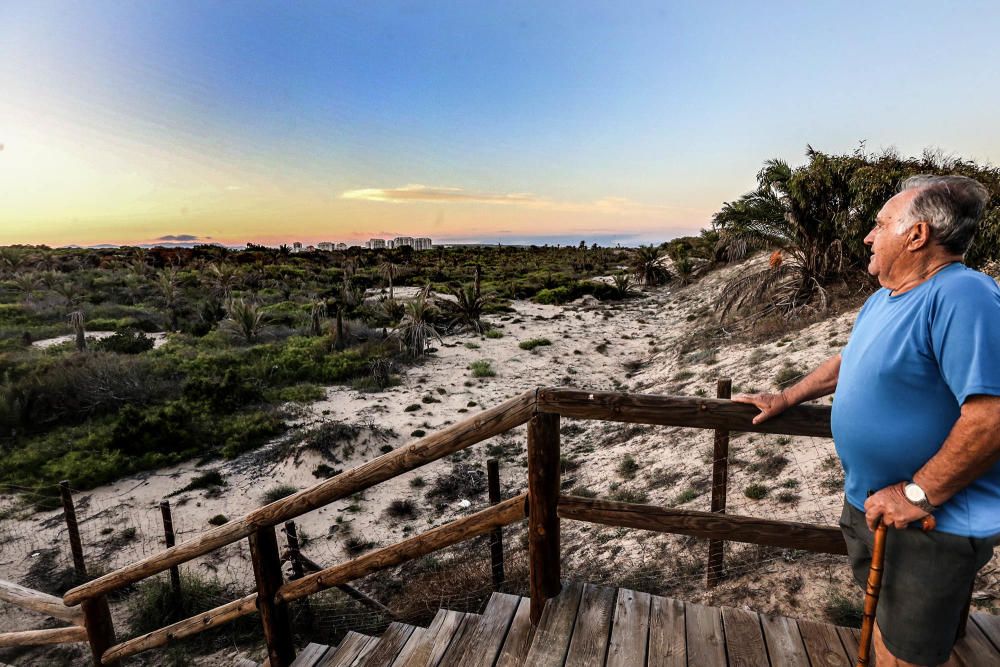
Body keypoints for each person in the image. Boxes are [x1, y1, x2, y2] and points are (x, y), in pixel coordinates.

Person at [734, 175, 1000, 667]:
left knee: (907, 654)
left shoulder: (964, 295)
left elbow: (992, 416)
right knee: (886, 630)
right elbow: (850, 359)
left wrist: (917, 493)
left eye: (880, 224)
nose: (867, 236)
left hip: (928, 521)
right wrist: (787, 395)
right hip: (874, 505)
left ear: (917, 235)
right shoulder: (886, 297)